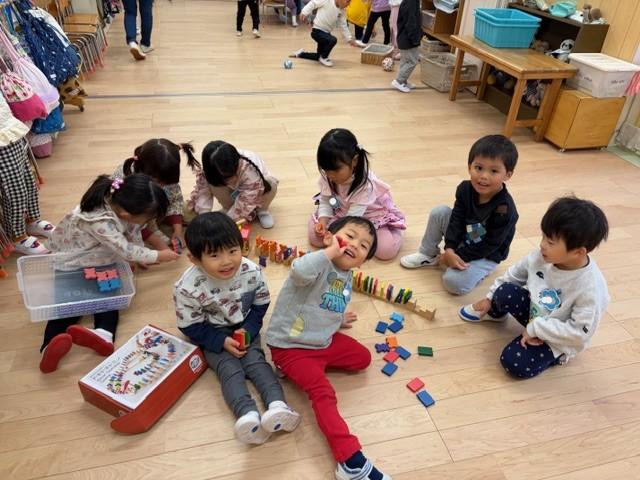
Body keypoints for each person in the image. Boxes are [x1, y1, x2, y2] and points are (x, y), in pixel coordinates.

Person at [266, 216, 392, 480]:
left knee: (362, 358)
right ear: (328, 238)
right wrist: (330, 251)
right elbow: (299, 272)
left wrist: (338, 318)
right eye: (350, 236)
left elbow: (327, 300)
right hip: (291, 346)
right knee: (323, 393)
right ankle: (350, 462)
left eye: (364, 245)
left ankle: (308, 369)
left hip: (322, 339)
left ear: (363, 261)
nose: (355, 244)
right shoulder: (318, 262)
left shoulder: (346, 274)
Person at [175, 212, 300, 444]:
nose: (227, 261)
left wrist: (249, 329)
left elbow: (261, 304)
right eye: (214, 255)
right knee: (229, 371)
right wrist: (220, 341)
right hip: (210, 333)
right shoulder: (187, 287)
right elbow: (189, 325)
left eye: (232, 251)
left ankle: (277, 406)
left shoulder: (251, 271)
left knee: (257, 363)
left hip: (244, 326)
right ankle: (247, 416)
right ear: (194, 259)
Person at [39, 174, 179, 373]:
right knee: (78, 305)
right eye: (147, 219)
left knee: (97, 301)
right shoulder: (100, 221)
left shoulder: (117, 199)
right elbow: (126, 250)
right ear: (126, 213)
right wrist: (157, 255)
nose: (147, 223)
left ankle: (95, 336)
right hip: (71, 266)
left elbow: (133, 232)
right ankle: (55, 345)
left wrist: (140, 256)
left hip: (94, 261)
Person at [460, 197, 610, 379]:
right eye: (544, 236)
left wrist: (535, 330)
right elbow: (514, 274)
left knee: (513, 362)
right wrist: (490, 298)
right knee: (505, 291)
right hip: (537, 314)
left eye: (551, 242)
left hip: (560, 338)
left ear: (578, 252)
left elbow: (578, 333)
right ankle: (496, 314)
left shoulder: (590, 288)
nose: (542, 244)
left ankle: (557, 356)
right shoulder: (543, 256)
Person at [400, 134, 518, 295]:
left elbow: (491, 244)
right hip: (467, 234)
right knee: (439, 212)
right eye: (479, 168)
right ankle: (427, 254)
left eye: (494, 171)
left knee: (453, 283)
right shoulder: (465, 189)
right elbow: (456, 219)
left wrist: (456, 255)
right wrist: (450, 249)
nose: (484, 176)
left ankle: (481, 269)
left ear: (508, 175)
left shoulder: (505, 209)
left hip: (486, 253)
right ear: (469, 167)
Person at [308, 128, 405, 260]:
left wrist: (340, 238)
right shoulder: (329, 175)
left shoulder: (365, 185)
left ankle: (395, 231)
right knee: (316, 238)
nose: (330, 176)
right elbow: (326, 200)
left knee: (386, 251)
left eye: (336, 171)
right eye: (326, 171)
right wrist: (323, 222)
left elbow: (352, 219)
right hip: (341, 211)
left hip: (369, 216)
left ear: (354, 160)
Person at [115, 138, 200, 248]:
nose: (163, 186)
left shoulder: (164, 173)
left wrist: (177, 230)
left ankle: (154, 225)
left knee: (192, 214)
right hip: (132, 219)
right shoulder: (129, 183)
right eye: (160, 182)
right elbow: (131, 220)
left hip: (151, 213)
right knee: (138, 246)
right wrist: (156, 240)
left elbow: (175, 199)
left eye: (166, 183)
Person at [0, 96, 54, 255]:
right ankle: (18, 236)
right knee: (14, 190)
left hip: (7, 123)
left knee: (28, 180)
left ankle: (32, 220)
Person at [187, 141, 278, 229]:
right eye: (227, 177)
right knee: (212, 184)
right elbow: (203, 193)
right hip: (235, 192)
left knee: (271, 183)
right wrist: (204, 217)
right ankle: (229, 209)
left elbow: (248, 198)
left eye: (233, 175)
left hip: (255, 190)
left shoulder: (249, 171)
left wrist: (228, 222)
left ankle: (262, 211)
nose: (233, 179)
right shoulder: (210, 170)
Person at [290, 0, 359, 67]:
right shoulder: (327, 1)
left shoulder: (342, 11)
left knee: (319, 55)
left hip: (326, 34)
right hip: (317, 31)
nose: (348, 4)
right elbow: (313, 3)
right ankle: (324, 57)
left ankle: (300, 54)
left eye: (349, 2)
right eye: (347, 1)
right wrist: (304, 12)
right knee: (333, 40)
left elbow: (344, 26)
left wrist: (349, 39)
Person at [390, 0, 420, 93]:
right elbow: (410, 22)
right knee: (412, 61)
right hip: (408, 39)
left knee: (405, 60)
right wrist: (414, 38)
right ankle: (398, 81)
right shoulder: (411, 2)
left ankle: (403, 81)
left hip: (404, 38)